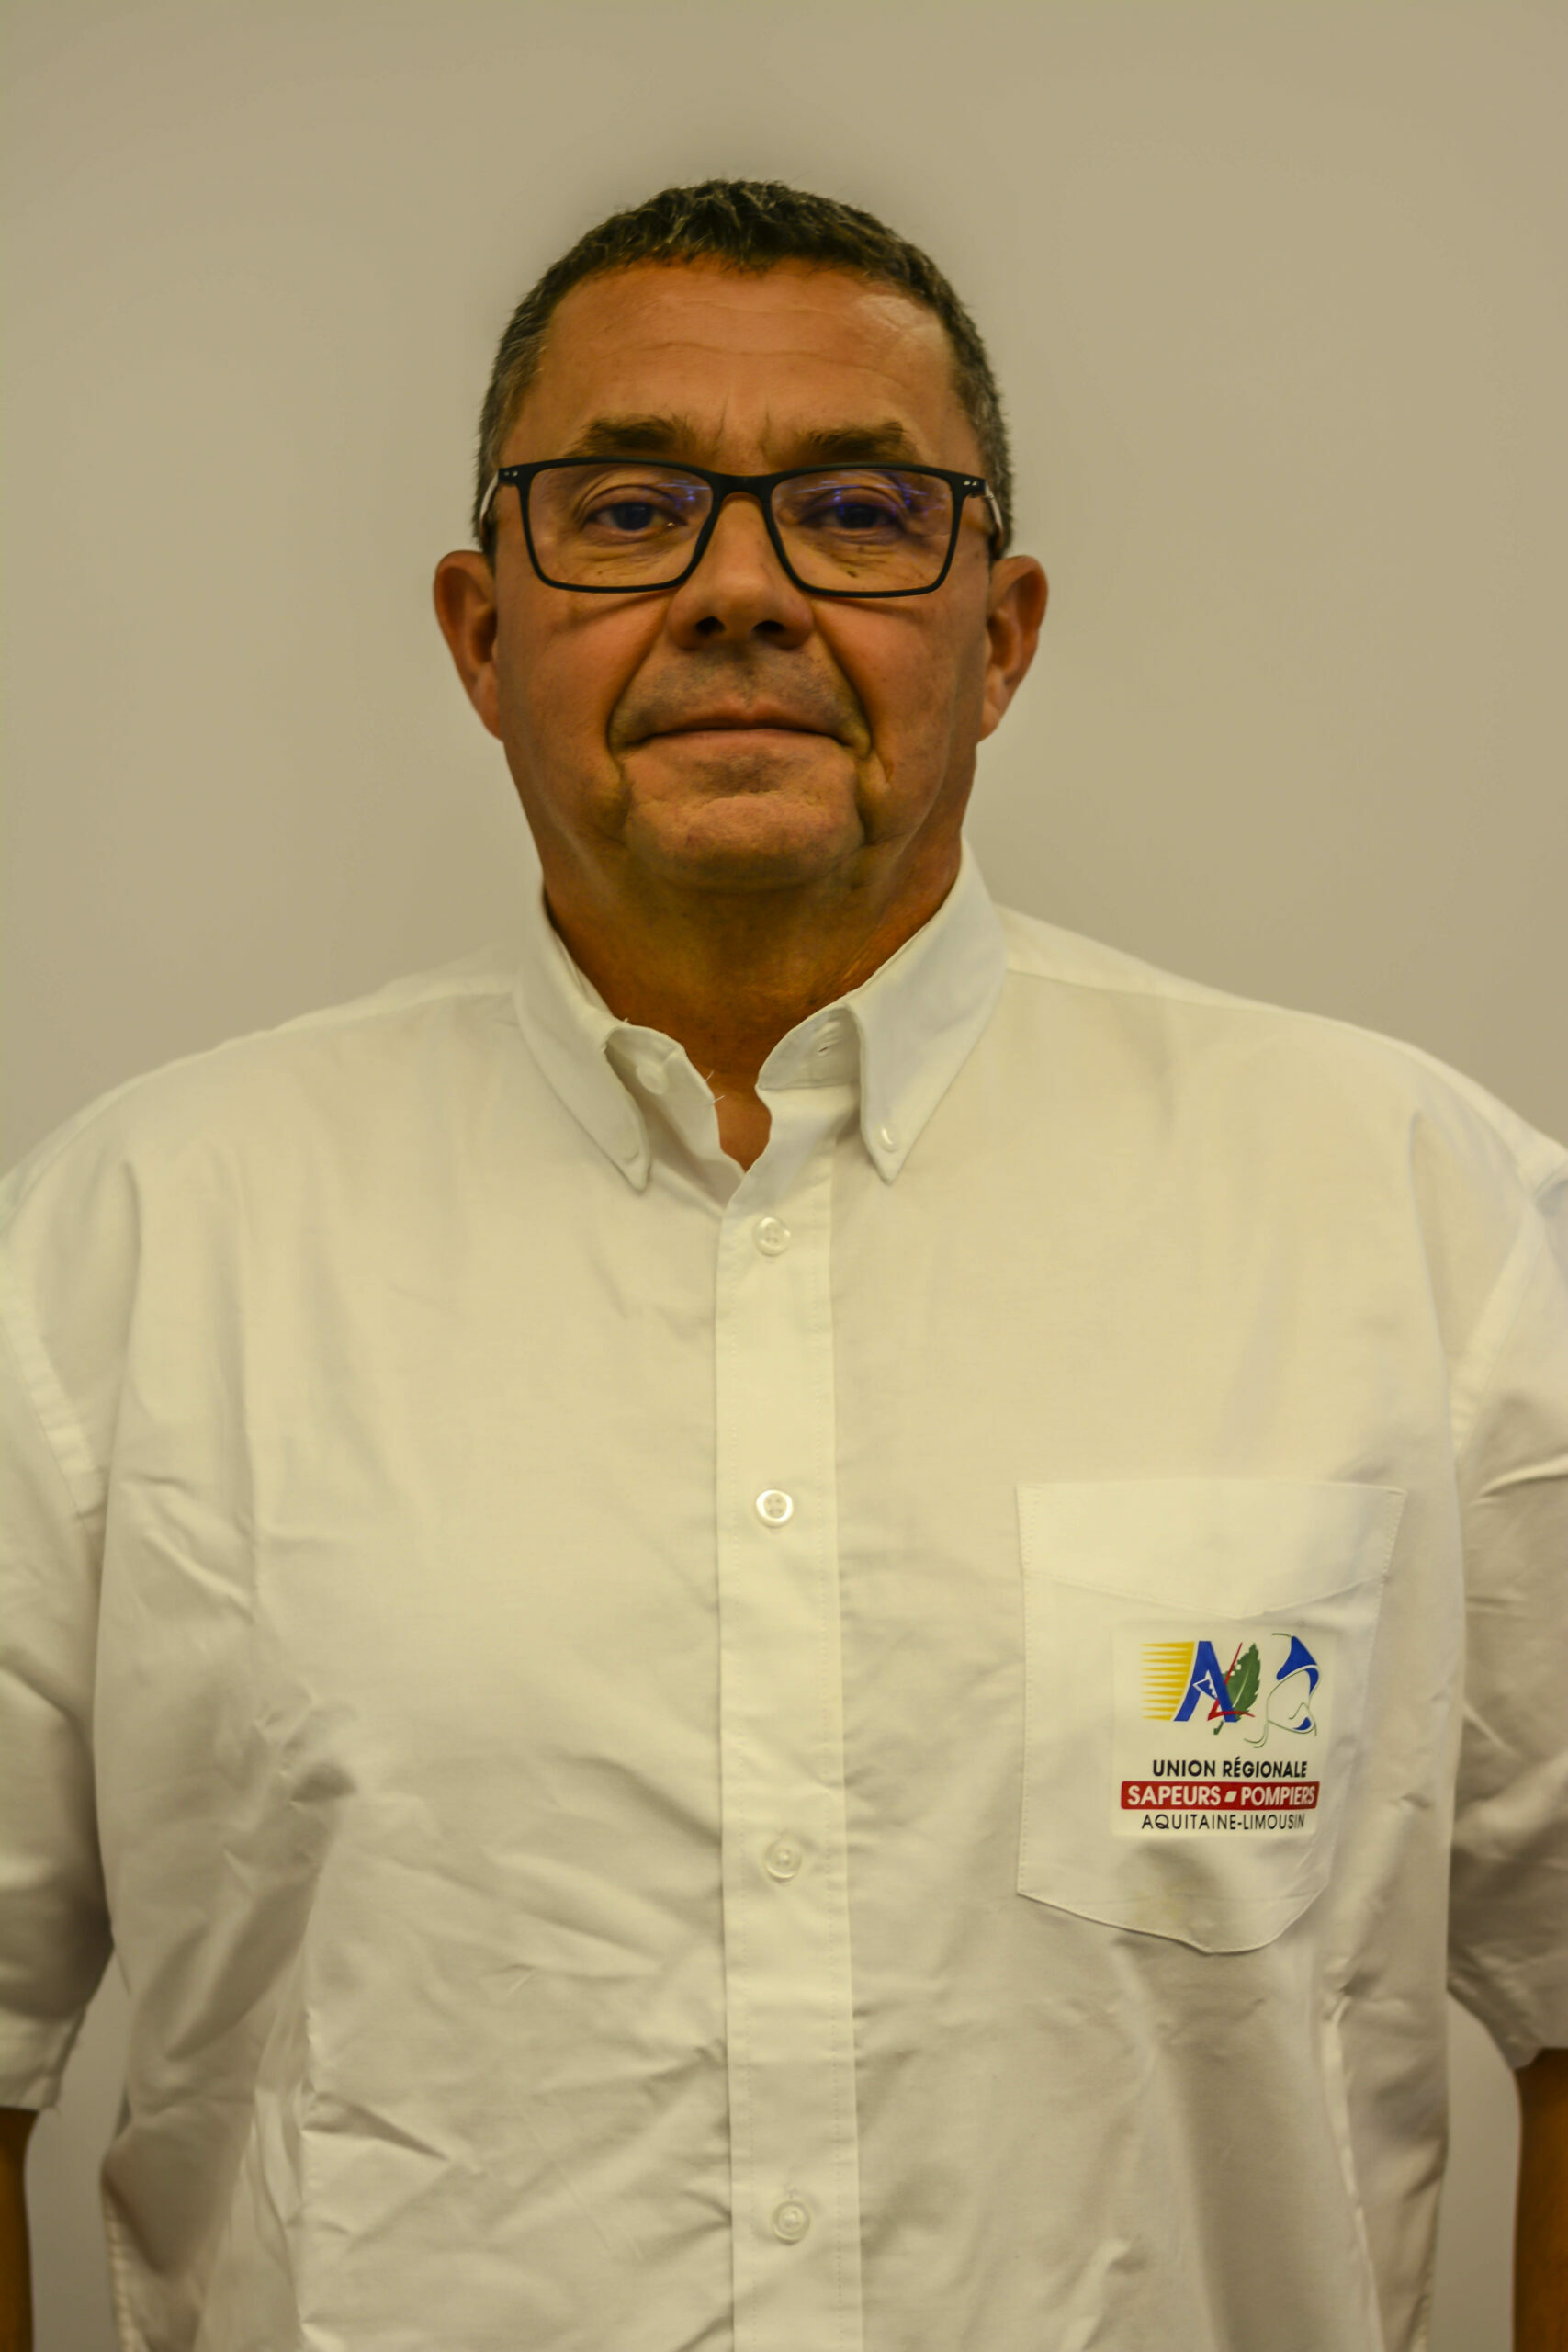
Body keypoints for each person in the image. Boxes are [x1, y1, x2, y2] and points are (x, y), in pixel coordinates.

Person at [0, 175, 1562, 2352]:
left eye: (852, 510)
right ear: (479, 630)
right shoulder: (129, 1258)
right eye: (629, 510)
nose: (739, 588)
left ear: (995, 634)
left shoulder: (1417, 1226)